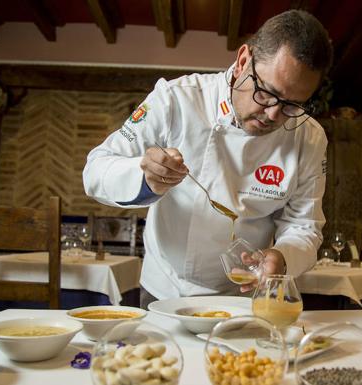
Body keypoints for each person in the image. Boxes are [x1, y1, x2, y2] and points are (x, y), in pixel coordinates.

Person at [83, 10, 333, 308]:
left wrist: (281, 257)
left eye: (293, 104)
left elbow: (304, 225)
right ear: (243, 61)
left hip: (245, 297)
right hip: (165, 288)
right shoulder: (176, 99)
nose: (273, 115)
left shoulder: (309, 137)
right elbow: (95, 171)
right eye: (267, 93)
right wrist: (144, 176)